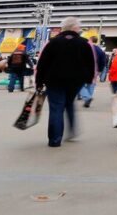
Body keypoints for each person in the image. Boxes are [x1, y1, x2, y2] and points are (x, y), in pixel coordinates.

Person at [35, 17, 95, 147]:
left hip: (54, 80)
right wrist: (89, 79)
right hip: (75, 81)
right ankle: (72, 130)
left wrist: (39, 81)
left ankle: (55, 140)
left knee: (56, 108)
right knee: (69, 103)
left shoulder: (52, 42)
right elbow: (91, 63)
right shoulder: (84, 43)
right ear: (74, 28)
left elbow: (42, 64)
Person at [79, 36, 107, 108]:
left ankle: (87, 97)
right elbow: (103, 61)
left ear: (90, 40)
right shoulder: (100, 50)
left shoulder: (85, 48)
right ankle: (88, 99)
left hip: (84, 69)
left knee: (79, 85)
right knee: (91, 85)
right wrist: (100, 70)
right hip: (95, 70)